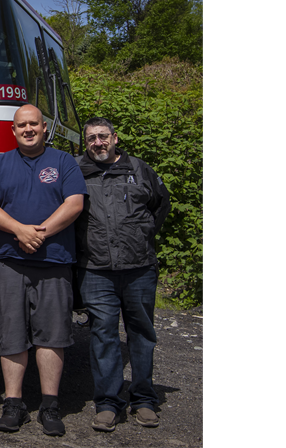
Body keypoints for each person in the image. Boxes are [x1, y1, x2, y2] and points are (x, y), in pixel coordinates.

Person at [0, 104, 86, 436]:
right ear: (13, 131)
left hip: (54, 261)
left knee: (52, 334)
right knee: (11, 334)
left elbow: (75, 204)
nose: (28, 129)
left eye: (34, 124)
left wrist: (38, 233)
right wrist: (19, 231)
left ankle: (50, 406)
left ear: (44, 128)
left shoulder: (64, 161)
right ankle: (14, 404)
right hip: (9, 262)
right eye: (21, 125)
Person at [76, 117, 170, 432]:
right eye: (91, 138)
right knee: (103, 336)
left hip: (139, 268)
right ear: (85, 142)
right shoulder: (77, 171)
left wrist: (140, 237)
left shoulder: (140, 170)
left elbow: (160, 205)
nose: (98, 143)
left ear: (115, 138)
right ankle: (108, 403)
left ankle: (143, 399)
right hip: (96, 269)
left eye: (103, 137)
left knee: (142, 335)